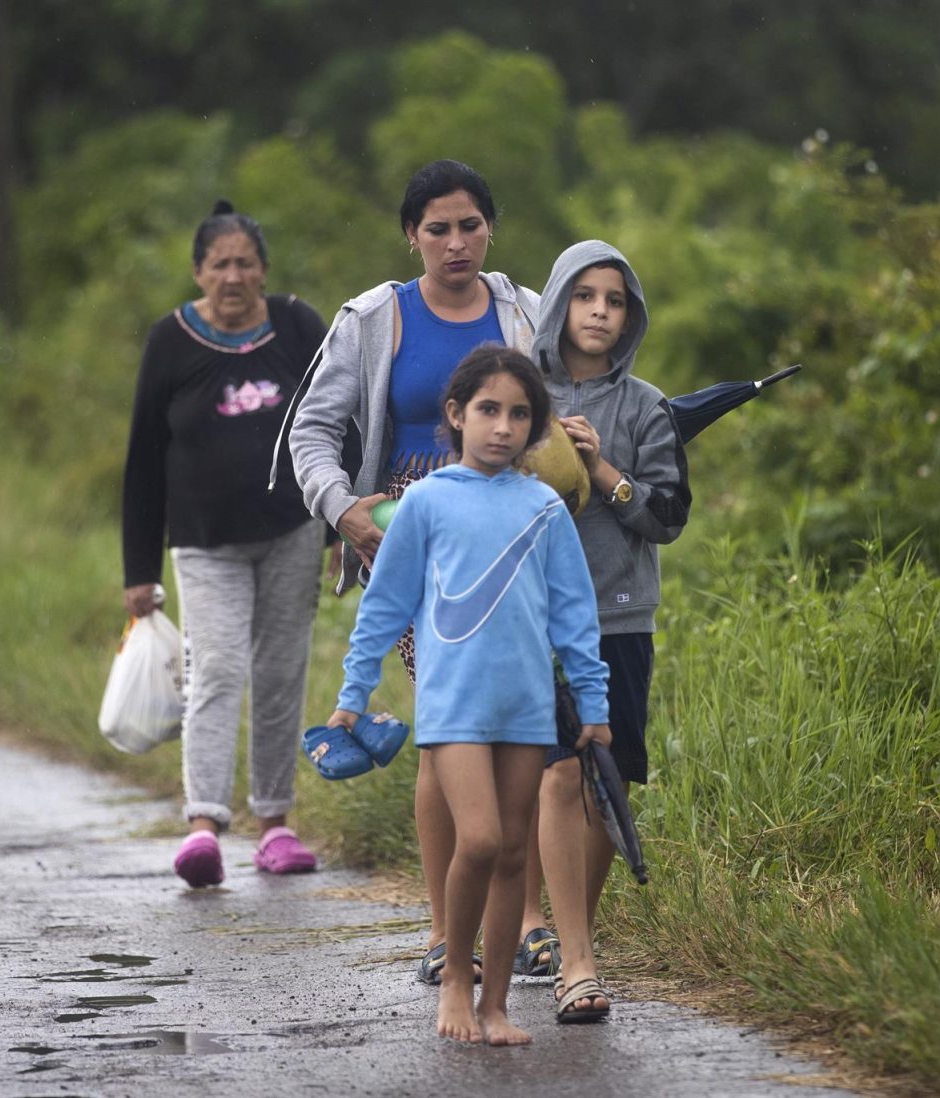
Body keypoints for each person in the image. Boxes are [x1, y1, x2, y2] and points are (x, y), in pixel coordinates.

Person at [285, 160, 587, 984]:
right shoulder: (374, 318)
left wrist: (579, 446)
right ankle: (444, 930)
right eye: (437, 229)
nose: (455, 243)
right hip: (414, 541)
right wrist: (343, 508)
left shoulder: (526, 313)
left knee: (522, 721)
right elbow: (310, 430)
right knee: (451, 728)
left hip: (516, 540)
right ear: (411, 236)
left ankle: (524, 924)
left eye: (470, 226)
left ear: (491, 228)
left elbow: (558, 415)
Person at [324, 347, 611, 1045]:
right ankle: (457, 975)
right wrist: (353, 694)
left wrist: (595, 708)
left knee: (514, 851)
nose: (503, 427)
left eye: (519, 414)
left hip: (526, 708)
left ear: (535, 427)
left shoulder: (544, 507)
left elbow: (576, 617)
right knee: (479, 838)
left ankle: (497, 1008)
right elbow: (384, 607)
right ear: (455, 415)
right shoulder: (423, 502)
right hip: (452, 708)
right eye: (488, 410)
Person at [121, 200, 330, 888]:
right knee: (215, 671)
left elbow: (340, 419)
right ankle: (203, 826)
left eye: (246, 263)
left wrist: (342, 522)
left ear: (264, 270)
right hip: (204, 542)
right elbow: (144, 458)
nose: (233, 276)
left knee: (280, 674)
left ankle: (275, 824)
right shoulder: (171, 340)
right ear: (198, 271)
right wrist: (138, 570)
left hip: (293, 532)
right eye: (220, 264)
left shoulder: (299, 325)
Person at [524, 240, 691, 1019]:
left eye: (615, 300)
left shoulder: (648, 405)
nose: (599, 311)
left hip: (618, 619)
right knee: (557, 773)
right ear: (558, 303)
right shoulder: (518, 392)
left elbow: (667, 518)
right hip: (530, 618)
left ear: (630, 315)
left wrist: (602, 472)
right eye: (585, 295)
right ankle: (579, 962)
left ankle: (573, 939)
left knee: (603, 781)